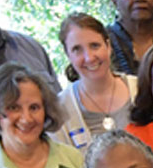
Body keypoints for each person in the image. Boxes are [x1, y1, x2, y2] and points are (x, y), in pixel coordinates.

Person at [54, 13, 138, 150]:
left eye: (94, 46)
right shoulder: (60, 108)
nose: (89, 58)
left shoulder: (140, 88)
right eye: (77, 49)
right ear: (68, 55)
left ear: (108, 46)